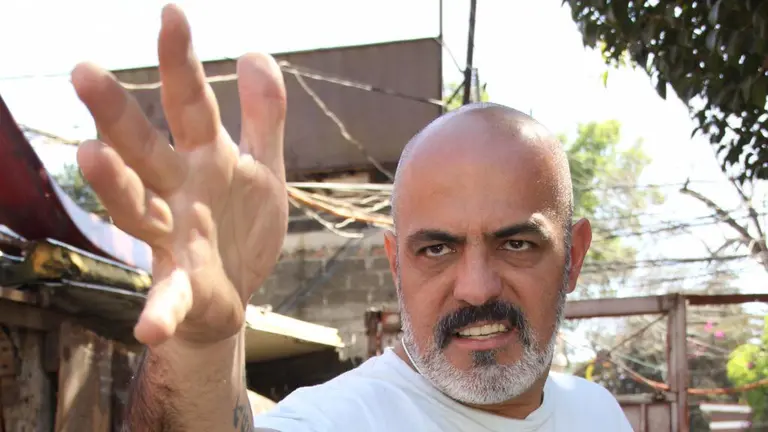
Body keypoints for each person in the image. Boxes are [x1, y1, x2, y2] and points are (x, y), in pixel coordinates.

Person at [72, 4, 633, 431]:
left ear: (573, 257)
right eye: (437, 249)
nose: (477, 287)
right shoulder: (337, 420)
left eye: (516, 244)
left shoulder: (598, 412)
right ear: (395, 264)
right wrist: (200, 347)